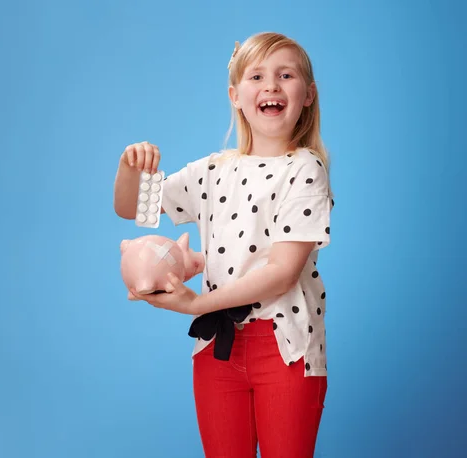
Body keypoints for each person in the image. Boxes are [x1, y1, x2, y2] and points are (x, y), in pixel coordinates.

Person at [113, 31, 333, 458]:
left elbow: (282, 273)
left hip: (285, 345)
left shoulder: (306, 169)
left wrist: (196, 305)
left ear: (307, 94)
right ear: (235, 95)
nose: (270, 85)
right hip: (216, 347)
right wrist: (128, 167)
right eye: (256, 76)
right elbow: (132, 208)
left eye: (285, 75)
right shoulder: (213, 170)